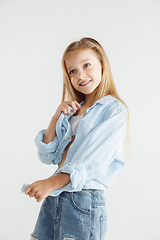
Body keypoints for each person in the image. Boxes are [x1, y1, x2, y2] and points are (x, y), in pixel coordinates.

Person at [22, 37, 129, 240]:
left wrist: (51, 182)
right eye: (72, 71)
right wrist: (56, 118)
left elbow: (93, 162)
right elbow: (49, 155)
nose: (81, 75)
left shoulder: (114, 110)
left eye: (86, 65)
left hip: (82, 198)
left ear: (102, 64)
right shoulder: (74, 111)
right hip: (56, 194)